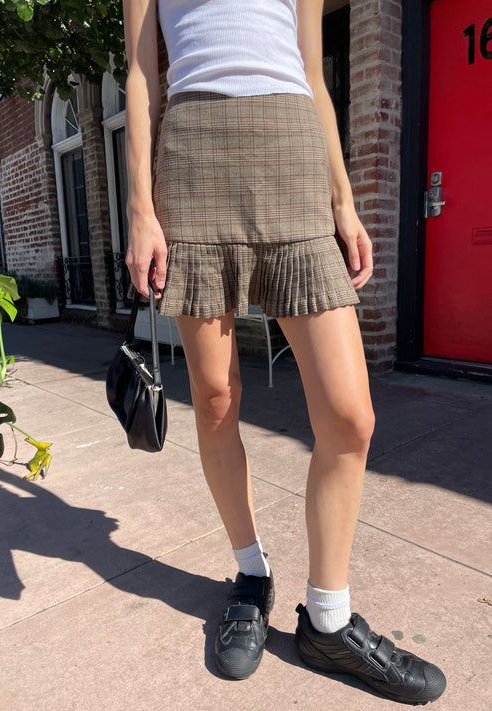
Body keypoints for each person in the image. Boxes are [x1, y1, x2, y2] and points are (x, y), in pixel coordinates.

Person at [122, 0, 446, 704]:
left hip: (293, 151)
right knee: (213, 399)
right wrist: (141, 209)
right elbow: (143, 75)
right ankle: (250, 575)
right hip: (193, 158)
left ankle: (326, 619)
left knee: (349, 415)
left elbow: (310, 68)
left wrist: (342, 199)